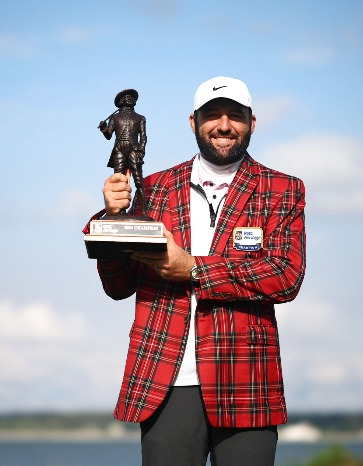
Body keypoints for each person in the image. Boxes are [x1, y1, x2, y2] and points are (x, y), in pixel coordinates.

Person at [83, 76, 306, 465]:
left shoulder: (282, 189)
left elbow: (285, 275)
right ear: (192, 122)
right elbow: (118, 286)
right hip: (166, 381)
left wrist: (194, 269)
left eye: (235, 116)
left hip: (246, 380)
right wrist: (111, 216)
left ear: (252, 122)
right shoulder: (153, 188)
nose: (223, 125)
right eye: (212, 115)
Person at [98, 88, 148, 214]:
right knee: (119, 181)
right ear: (121, 102)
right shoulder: (115, 117)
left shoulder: (140, 118)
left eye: (131, 97)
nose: (129, 99)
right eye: (126, 97)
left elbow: (143, 136)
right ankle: (121, 212)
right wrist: (104, 128)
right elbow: (109, 135)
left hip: (134, 150)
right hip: (119, 149)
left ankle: (144, 212)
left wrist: (141, 151)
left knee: (138, 181)